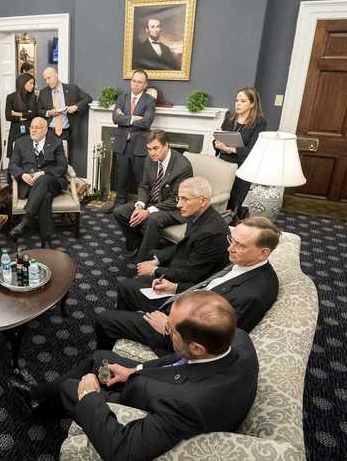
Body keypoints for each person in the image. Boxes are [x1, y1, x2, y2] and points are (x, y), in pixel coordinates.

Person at [7, 291, 258, 461]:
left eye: (170, 330)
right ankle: (40, 396)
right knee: (99, 358)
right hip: (163, 383)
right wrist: (134, 369)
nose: (165, 331)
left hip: (141, 405)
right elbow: (181, 360)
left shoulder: (188, 405)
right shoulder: (238, 338)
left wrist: (89, 396)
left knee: (70, 388)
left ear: (197, 347)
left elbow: (121, 454)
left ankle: (40, 404)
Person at [97, 216, 281, 355]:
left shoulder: (254, 294)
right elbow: (210, 287)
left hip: (179, 333)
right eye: (231, 240)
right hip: (184, 303)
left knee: (105, 320)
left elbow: (218, 340)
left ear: (263, 253)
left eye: (240, 245)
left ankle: (102, 361)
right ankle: (124, 329)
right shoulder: (244, 261)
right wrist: (174, 288)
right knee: (126, 287)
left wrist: (169, 327)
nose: (229, 249)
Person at [118, 177, 230, 309]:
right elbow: (184, 245)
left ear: (203, 201)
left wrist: (155, 270)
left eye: (185, 199)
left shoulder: (211, 233)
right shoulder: (198, 215)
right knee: (152, 254)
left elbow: (192, 275)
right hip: (185, 263)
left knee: (124, 286)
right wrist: (157, 260)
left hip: (190, 289)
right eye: (179, 198)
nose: (178, 205)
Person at [113, 130, 192, 261]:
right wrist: (140, 205)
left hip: (174, 209)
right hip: (152, 203)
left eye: (156, 148)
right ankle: (136, 244)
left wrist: (148, 211)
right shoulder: (149, 160)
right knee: (119, 211)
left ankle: (144, 259)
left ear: (166, 145)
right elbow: (145, 186)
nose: (152, 153)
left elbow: (175, 200)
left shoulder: (182, 166)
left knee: (152, 220)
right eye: (149, 149)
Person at [103, 70, 157, 213]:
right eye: (134, 81)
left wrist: (125, 118)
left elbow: (146, 122)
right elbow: (115, 119)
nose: (136, 84)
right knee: (121, 176)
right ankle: (119, 204)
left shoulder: (149, 101)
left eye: (139, 82)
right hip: (122, 144)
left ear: (145, 85)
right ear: (130, 81)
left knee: (140, 178)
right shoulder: (122, 97)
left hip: (139, 145)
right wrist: (133, 118)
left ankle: (141, 206)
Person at [8, 117, 67, 247]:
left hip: (52, 182)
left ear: (46, 130)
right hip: (30, 185)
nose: (33, 130)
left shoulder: (56, 142)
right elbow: (12, 165)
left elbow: (63, 167)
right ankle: (46, 238)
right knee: (45, 196)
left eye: (38, 127)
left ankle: (26, 220)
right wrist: (22, 175)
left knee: (43, 179)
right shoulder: (20, 142)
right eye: (32, 127)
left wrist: (43, 173)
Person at [214, 87, 267, 218]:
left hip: (243, 167)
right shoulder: (230, 118)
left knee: (233, 203)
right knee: (219, 199)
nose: (238, 103)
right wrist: (216, 143)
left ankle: (232, 226)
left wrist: (230, 149)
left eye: (243, 101)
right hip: (223, 164)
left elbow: (253, 150)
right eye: (237, 100)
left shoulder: (259, 122)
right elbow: (219, 137)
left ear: (252, 103)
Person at [37, 67, 92, 156]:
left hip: (66, 132)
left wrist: (75, 107)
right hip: (49, 132)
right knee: (49, 160)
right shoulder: (43, 93)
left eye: (49, 78)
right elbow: (38, 110)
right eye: (45, 79)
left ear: (56, 75)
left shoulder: (72, 88)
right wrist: (48, 113)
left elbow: (88, 98)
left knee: (64, 160)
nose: (47, 82)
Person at [5, 73, 38, 159]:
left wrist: (16, 113)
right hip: (15, 130)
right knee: (15, 157)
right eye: (30, 83)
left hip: (29, 129)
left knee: (30, 156)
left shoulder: (33, 97)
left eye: (33, 83)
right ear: (22, 83)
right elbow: (8, 116)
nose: (33, 86)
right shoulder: (11, 97)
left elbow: (34, 114)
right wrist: (26, 116)